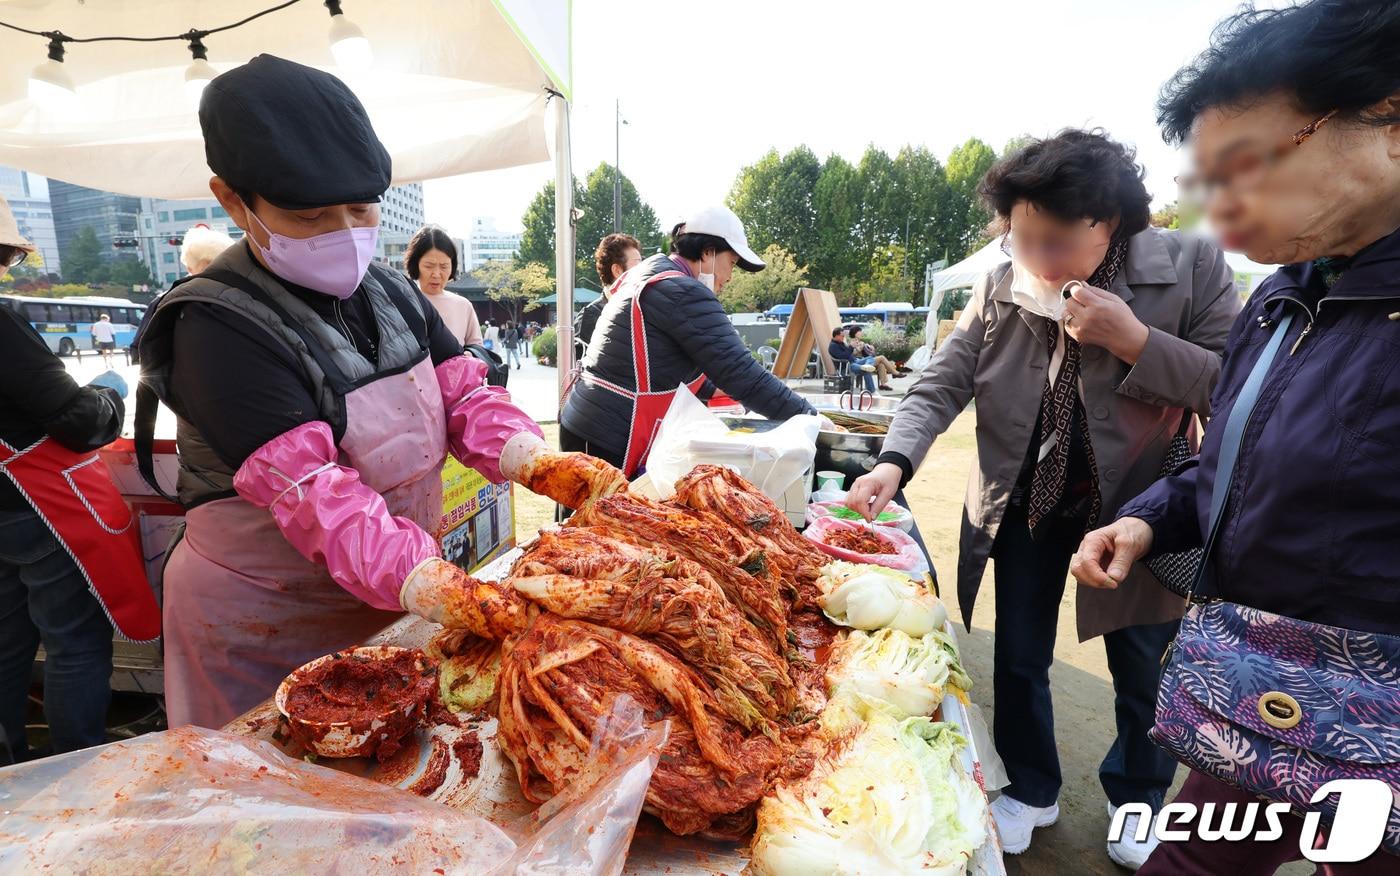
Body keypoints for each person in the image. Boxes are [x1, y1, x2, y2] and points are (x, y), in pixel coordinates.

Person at [135, 55, 601, 729]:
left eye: (360, 210)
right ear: (233, 199)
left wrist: (543, 462)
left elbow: (464, 399)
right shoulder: (215, 326)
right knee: (272, 807)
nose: (343, 233)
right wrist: (450, 590)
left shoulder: (389, 289)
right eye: (311, 215)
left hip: (387, 594)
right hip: (265, 616)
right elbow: (320, 497)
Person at [845, 129, 1241, 869]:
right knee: (1021, 655)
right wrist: (894, 461)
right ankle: (1030, 786)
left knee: (1141, 661)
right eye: (1018, 236)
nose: (1034, 257)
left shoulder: (1191, 266)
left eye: (1054, 240)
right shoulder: (1002, 278)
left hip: (1139, 509)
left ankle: (1137, 797)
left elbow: (1235, 388)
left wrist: (1135, 340)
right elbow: (943, 379)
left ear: (1111, 222)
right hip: (1024, 499)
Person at [1074, 3, 1400, 873]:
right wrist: (1146, 521)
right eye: (1205, 183)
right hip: (1260, 689)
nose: (1221, 213)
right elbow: (1224, 466)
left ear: (1389, 118)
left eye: (1246, 166)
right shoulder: (1280, 301)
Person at [1, 196, 159, 762]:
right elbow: (75, 419)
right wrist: (110, 393)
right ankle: (76, 770)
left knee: (5, 645)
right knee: (73, 642)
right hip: (32, 511)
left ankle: (11, 770)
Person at [560, 205, 816, 474]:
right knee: (602, 515)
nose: (730, 276)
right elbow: (742, 374)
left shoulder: (654, 272)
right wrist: (811, 419)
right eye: (732, 263)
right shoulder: (682, 290)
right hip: (605, 437)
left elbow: (663, 360)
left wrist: (712, 388)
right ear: (708, 252)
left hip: (586, 426)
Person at [405, 225, 482, 347]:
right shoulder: (402, 302)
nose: (436, 274)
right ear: (415, 264)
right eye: (429, 266)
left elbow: (476, 346)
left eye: (444, 266)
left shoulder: (463, 305)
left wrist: (469, 355)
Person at [576, 233, 642, 356]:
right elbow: (579, 368)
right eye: (638, 264)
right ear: (617, 270)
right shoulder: (590, 315)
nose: (644, 269)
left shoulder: (641, 308)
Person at [847, 325, 896, 391]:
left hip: (867, 360)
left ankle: (883, 384)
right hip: (858, 363)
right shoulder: (851, 342)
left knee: (881, 364)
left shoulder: (861, 342)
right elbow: (851, 354)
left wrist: (871, 349)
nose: (861, 333)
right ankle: (894, 373)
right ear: (855, 333)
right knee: (881, 359)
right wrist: (859, 348)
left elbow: (869, 354)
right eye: (860, 331)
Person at [829, 327, 877, 393]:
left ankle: (866, 365)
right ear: (837, 336)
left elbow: (848, 353)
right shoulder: (833, 346)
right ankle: (872, 392)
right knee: (866, 370)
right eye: (842, 336)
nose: (843, 337)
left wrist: (852, 347)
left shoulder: (841, 343)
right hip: (847, 366)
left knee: (870, 358)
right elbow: (844, 356)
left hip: (854, 361)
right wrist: (851, 347)